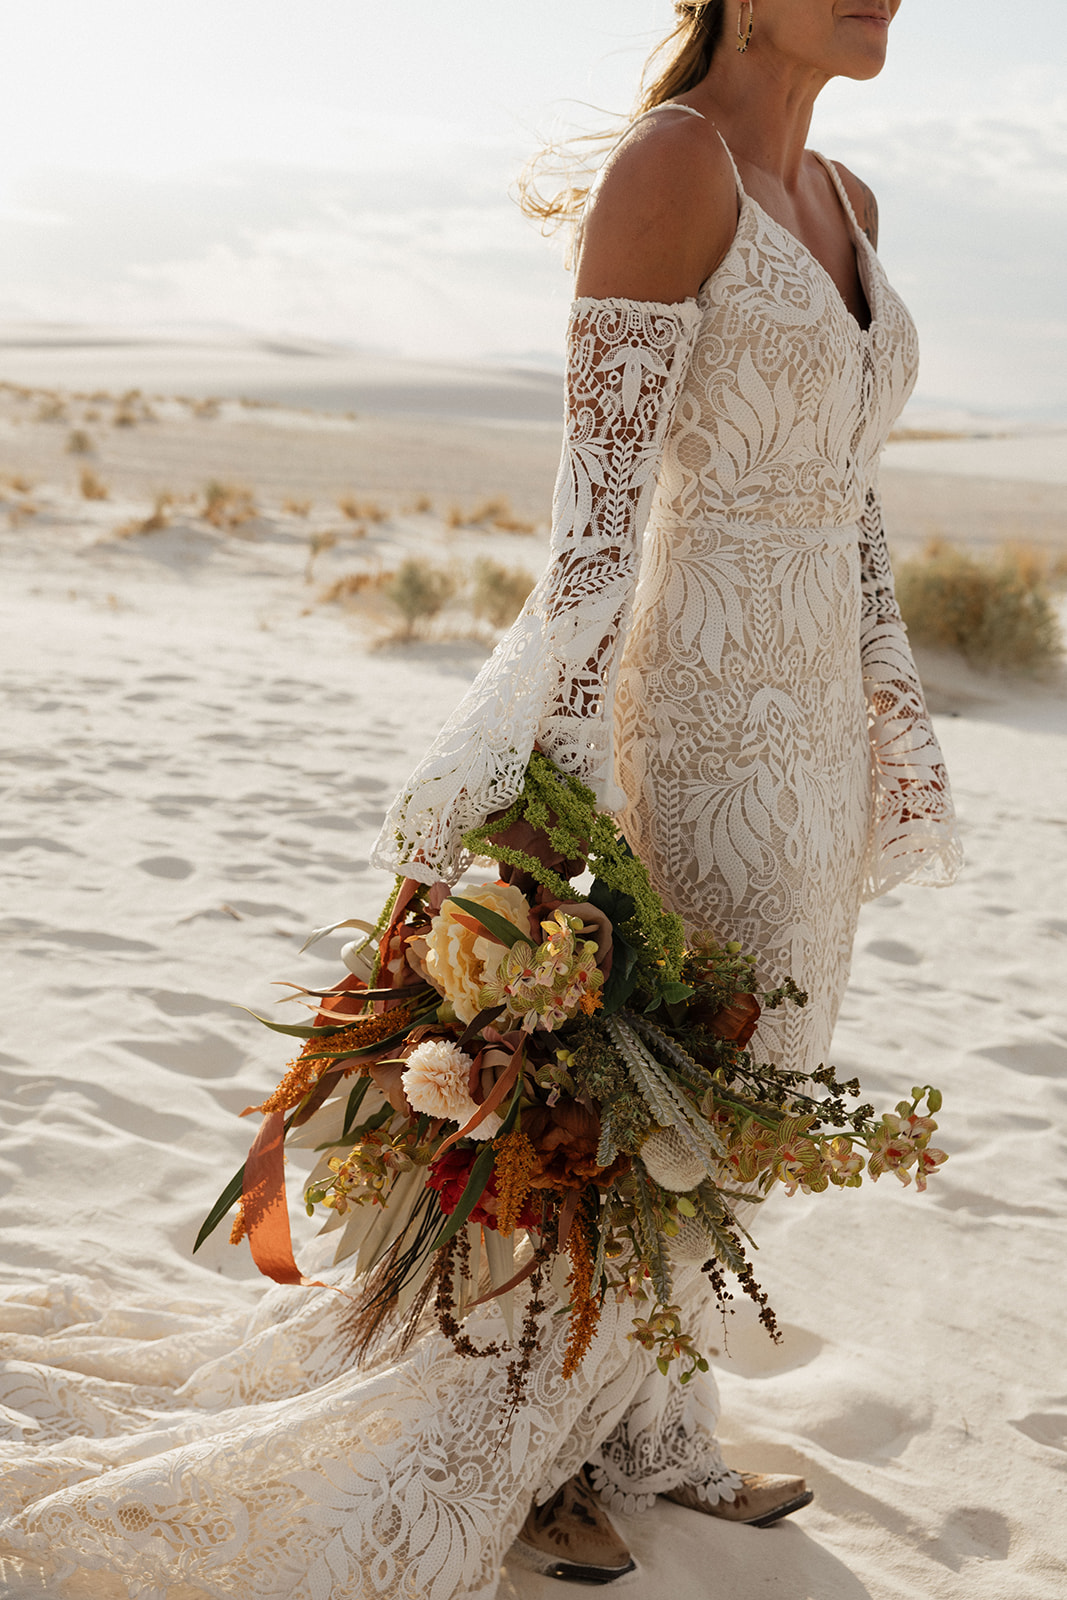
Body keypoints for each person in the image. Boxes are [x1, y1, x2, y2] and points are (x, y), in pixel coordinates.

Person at [0, 2, 960, 1595]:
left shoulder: (851, 199)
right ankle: (523, 1448)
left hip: (816, 738)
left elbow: (853, 504)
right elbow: (595, 521)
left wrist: (888, 716)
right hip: (695, 714)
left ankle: (636, 1423)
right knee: (650, 1097)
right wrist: (560, 765)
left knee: (754, 1095)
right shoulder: (676, 168)